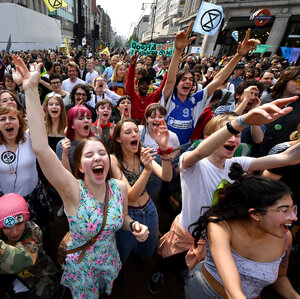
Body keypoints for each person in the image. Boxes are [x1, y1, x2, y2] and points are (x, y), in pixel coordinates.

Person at [12, 54, 149, 299]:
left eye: (101, 153)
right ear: (81, 166)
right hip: (82, 266)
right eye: (89, 155)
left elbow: (124, 218)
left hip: (109, 259)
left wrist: (134, 226)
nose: (98, 158)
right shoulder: (72, 190)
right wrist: (31, 89)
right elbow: (42, 148)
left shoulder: (118, 186)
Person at [149, 95, 300, 294]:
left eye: (238, 135)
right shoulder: (193, 163)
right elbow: (201, 151)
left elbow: (287, 158)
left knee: (191, 268)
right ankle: (159, 272)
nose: (234, 138)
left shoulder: (237, 164)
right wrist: (241, 121)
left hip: (215, 238)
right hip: (186, 232)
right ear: (211, 137)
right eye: (227, 132)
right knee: (169, 259)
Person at [186, 166, 299, 299]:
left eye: (293, 209)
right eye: (285, 210)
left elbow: (280, 277)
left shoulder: (286, 238)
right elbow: (233, 291)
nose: (294, 217)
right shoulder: (219, 227)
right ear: (255, 214)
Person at [161, 23, 260, 151]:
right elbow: (169, 80)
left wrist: (238, 56)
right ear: (176, 84)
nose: (188, 82)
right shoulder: (170, 98)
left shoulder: (196, 100)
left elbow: (218, 79)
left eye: (191, 80)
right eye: (183, 79)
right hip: (163, 148)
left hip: (183, 150)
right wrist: (178, 50)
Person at [111, 119, 173, 267]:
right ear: (118, 139)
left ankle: (138, 255)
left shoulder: (143, 153)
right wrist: (146, 170)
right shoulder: (113, 160)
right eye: (128, 132)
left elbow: (167, 176)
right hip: (128, 216)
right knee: (122, 253)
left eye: (136, 131)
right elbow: (131, 196)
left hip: (149, 210)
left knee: (147, 248)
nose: (134, 134)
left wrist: (164, 149)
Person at [0, 193, 62, 299]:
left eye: (19, 223)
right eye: (7, 227)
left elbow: (21, 259)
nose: (14, 232)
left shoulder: (33, 231)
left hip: (42, 284)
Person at [0, 105, 52, 230]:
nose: (8, 121)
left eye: (12, 118)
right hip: (7, 201)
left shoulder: (30, 137)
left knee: (42, 230)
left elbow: (40, 121)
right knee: (14, 235)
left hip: (35, 196)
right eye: (2, 119)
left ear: (19, 123)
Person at [126, 52, 167, 122]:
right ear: (138, 87)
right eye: (142, 84)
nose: (144, 85)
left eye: (146, 84)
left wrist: (167, 73)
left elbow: (161, 89)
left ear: (148, 87)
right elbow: (129, 82)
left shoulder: (152, 98)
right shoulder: (133, 96)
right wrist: (132, 66)